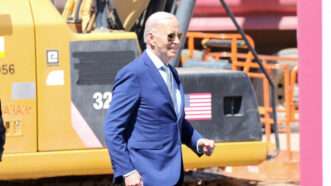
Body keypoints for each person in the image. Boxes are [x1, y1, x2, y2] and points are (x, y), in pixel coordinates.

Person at [104, 11, 215, 186]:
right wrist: (127, 171)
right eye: (170, 36)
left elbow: (174, 121)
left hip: (173, 174)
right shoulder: (134, 74)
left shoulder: (171, 72)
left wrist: (198, 141)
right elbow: (112, 129)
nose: (177, 41)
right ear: (151, 38)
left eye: (179, 36)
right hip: (144, 177)